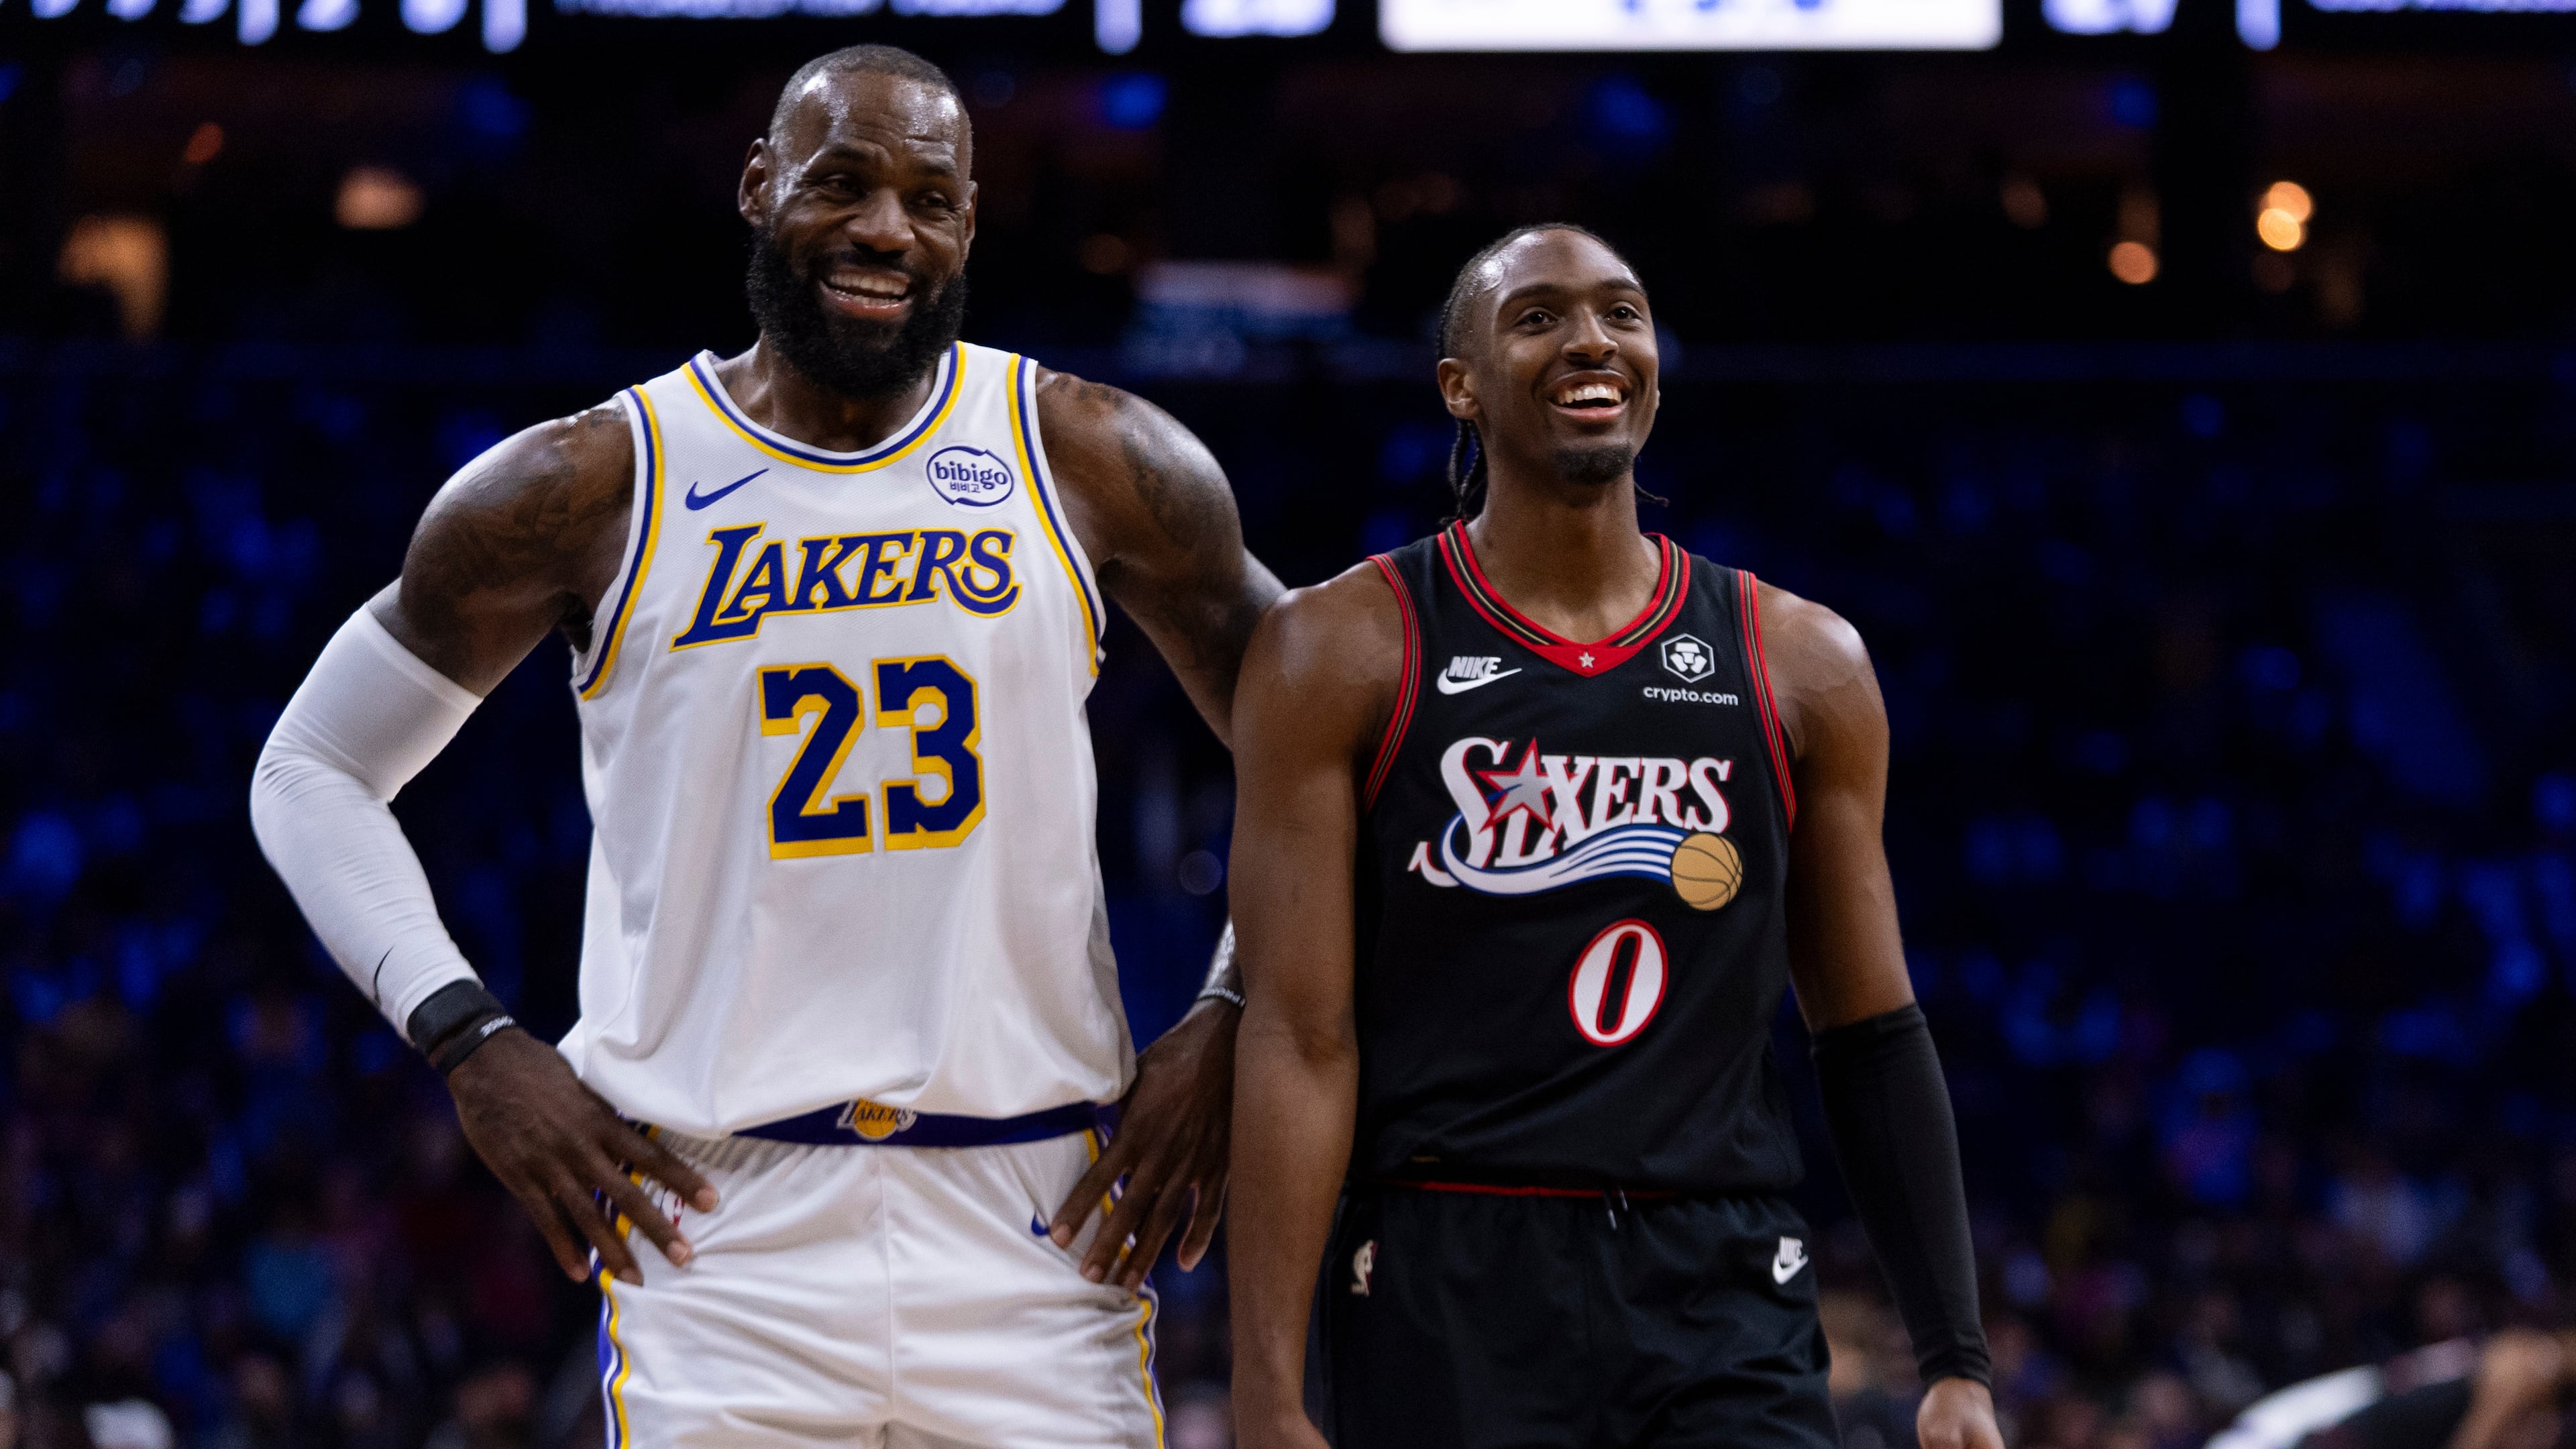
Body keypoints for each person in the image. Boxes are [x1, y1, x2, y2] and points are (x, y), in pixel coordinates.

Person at [250, 44, 1279, 1448]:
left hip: (1040, 1219)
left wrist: (1230, 1009)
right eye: (841, 183)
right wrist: (469, 1039)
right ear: (758, 189)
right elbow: (310, 771)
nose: (883, 229)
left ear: (970, 224)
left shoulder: (1094, 458)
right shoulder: (589, 484)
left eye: (928, 196)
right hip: (716, 1228)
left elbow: (1325, 744)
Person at [1224, 223, 2004, 1449]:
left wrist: (1956, 1358)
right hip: (1448, 1267)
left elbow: (1868, 1032)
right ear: (1460, 386)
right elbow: (1301, 1037)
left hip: (1722, 1275)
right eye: (1538, 316)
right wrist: (1267, 1392)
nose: (1592, 339)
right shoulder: (1344, 648)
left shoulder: (1801, 661)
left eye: (1622, 313)